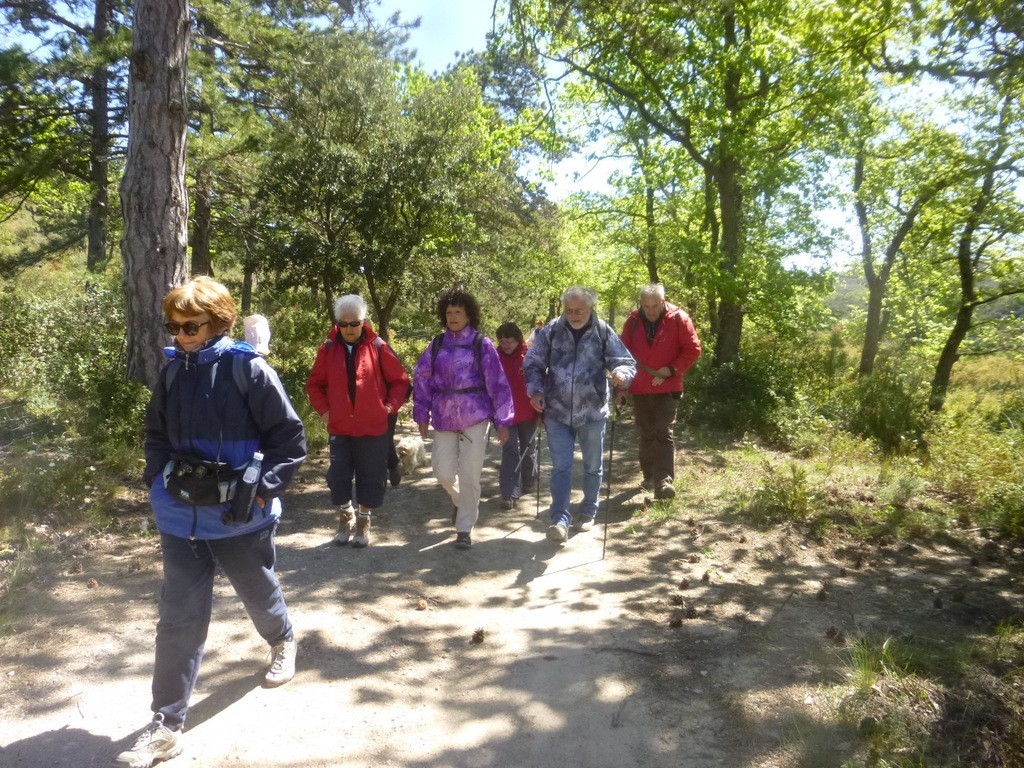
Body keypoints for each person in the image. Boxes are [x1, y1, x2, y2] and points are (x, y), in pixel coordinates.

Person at [116, 277, 306, 768]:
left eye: (191, 325)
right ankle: (166, 724)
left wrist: (264, 490)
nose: (181, 335)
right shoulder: (174, 372)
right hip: (180, 516)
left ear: (218, 322)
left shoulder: (250, 370)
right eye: (174, 326)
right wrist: (155, 479)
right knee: (178, 619)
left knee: (257, 592)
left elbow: (289, 439)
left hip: (240, 515)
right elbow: (155, 432)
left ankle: (282, 638)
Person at [523, 286, 635, 544]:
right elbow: (533, 363)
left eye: (579, 311)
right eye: (569, 310)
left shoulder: (603, 331)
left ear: (591, 308)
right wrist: (535, 391)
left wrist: (622, 374)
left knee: (592, 466)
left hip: (593, 412)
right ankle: (560, 519)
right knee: (561, 466)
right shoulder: (551, 330)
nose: (573, 315)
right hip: (557, 410)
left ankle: (588, 510)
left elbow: (625, 361)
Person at [413, 288, 514, 549]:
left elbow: (498, 384)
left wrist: (503, 421)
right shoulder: (436, 345)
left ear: (469, 314)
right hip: (444, 416)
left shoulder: (483, 344)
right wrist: (421, 415)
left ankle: (464, 528)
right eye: (449, 312)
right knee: (443, 472)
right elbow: (422, 380)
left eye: (458, 312)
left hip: (475, 417)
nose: (453, 317)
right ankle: (460, 501)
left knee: (469, 473)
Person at [306, 295, 410, 548]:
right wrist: (324, 411)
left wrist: (387, 408)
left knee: (371, 476)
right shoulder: (328, 348)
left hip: (372, 426)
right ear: (338, 323)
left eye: (355, 324)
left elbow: (401, 381)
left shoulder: (378, 346)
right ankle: (345, 515)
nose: (349, 329)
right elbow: (314, 384)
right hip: (340, 426)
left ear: (363, 322)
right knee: (338, 476)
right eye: (344, 324)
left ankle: (364, 521)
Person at [619, 283, 702, 500]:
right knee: (647, 433)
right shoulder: (633, 322)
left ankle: (663, 483)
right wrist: (621, 384)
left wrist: (672, 369)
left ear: (663, 301)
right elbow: (621, 352)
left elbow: (692, 349)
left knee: (663, 433)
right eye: (646, 306)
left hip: (668, 386)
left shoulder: (679, 319)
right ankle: (648, 475)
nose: (651, 310)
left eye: (655, 305)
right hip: (640, 387)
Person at [495, 322, 539, 509]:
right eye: (502, 341)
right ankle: (510, 492)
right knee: (510, 449)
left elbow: (539, 383)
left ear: (518, 339)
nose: (506, 345)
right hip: (505, 413)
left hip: (528, 411)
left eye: (509, 341)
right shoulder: (495, 358)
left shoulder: (529, 356)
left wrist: (542, 412)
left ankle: (528, 480)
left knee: (528, 450)